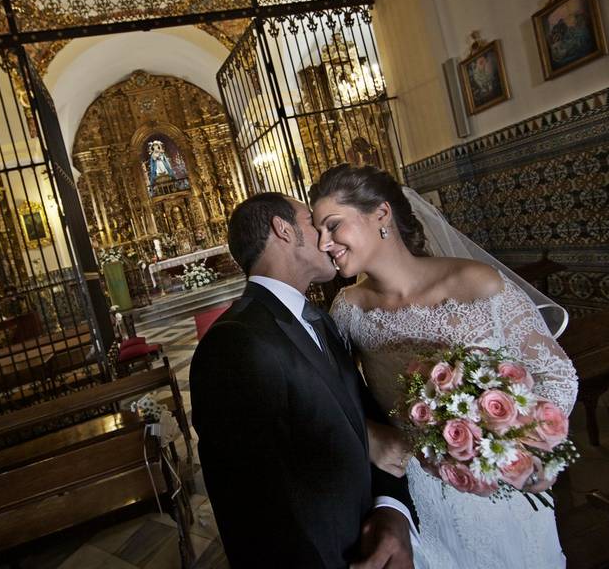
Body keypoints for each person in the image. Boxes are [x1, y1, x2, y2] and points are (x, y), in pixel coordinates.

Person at [309, 164, 578, 569]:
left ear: (381, 214)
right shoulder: (349, 309)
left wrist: (527, 444)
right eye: (318, 233)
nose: (324, 243)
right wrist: (372, 435)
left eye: (332, 226)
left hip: (500, 485)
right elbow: (340, 399)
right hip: (421, 498)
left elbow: (557, 373)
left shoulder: (476, 283)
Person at [190, 192, 416, 568]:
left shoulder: (318, 317)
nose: (328, 239)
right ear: (283, 230)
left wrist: (391, 511)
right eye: (313, 222)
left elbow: (366, 424)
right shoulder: (233, 343)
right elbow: (252, 511)